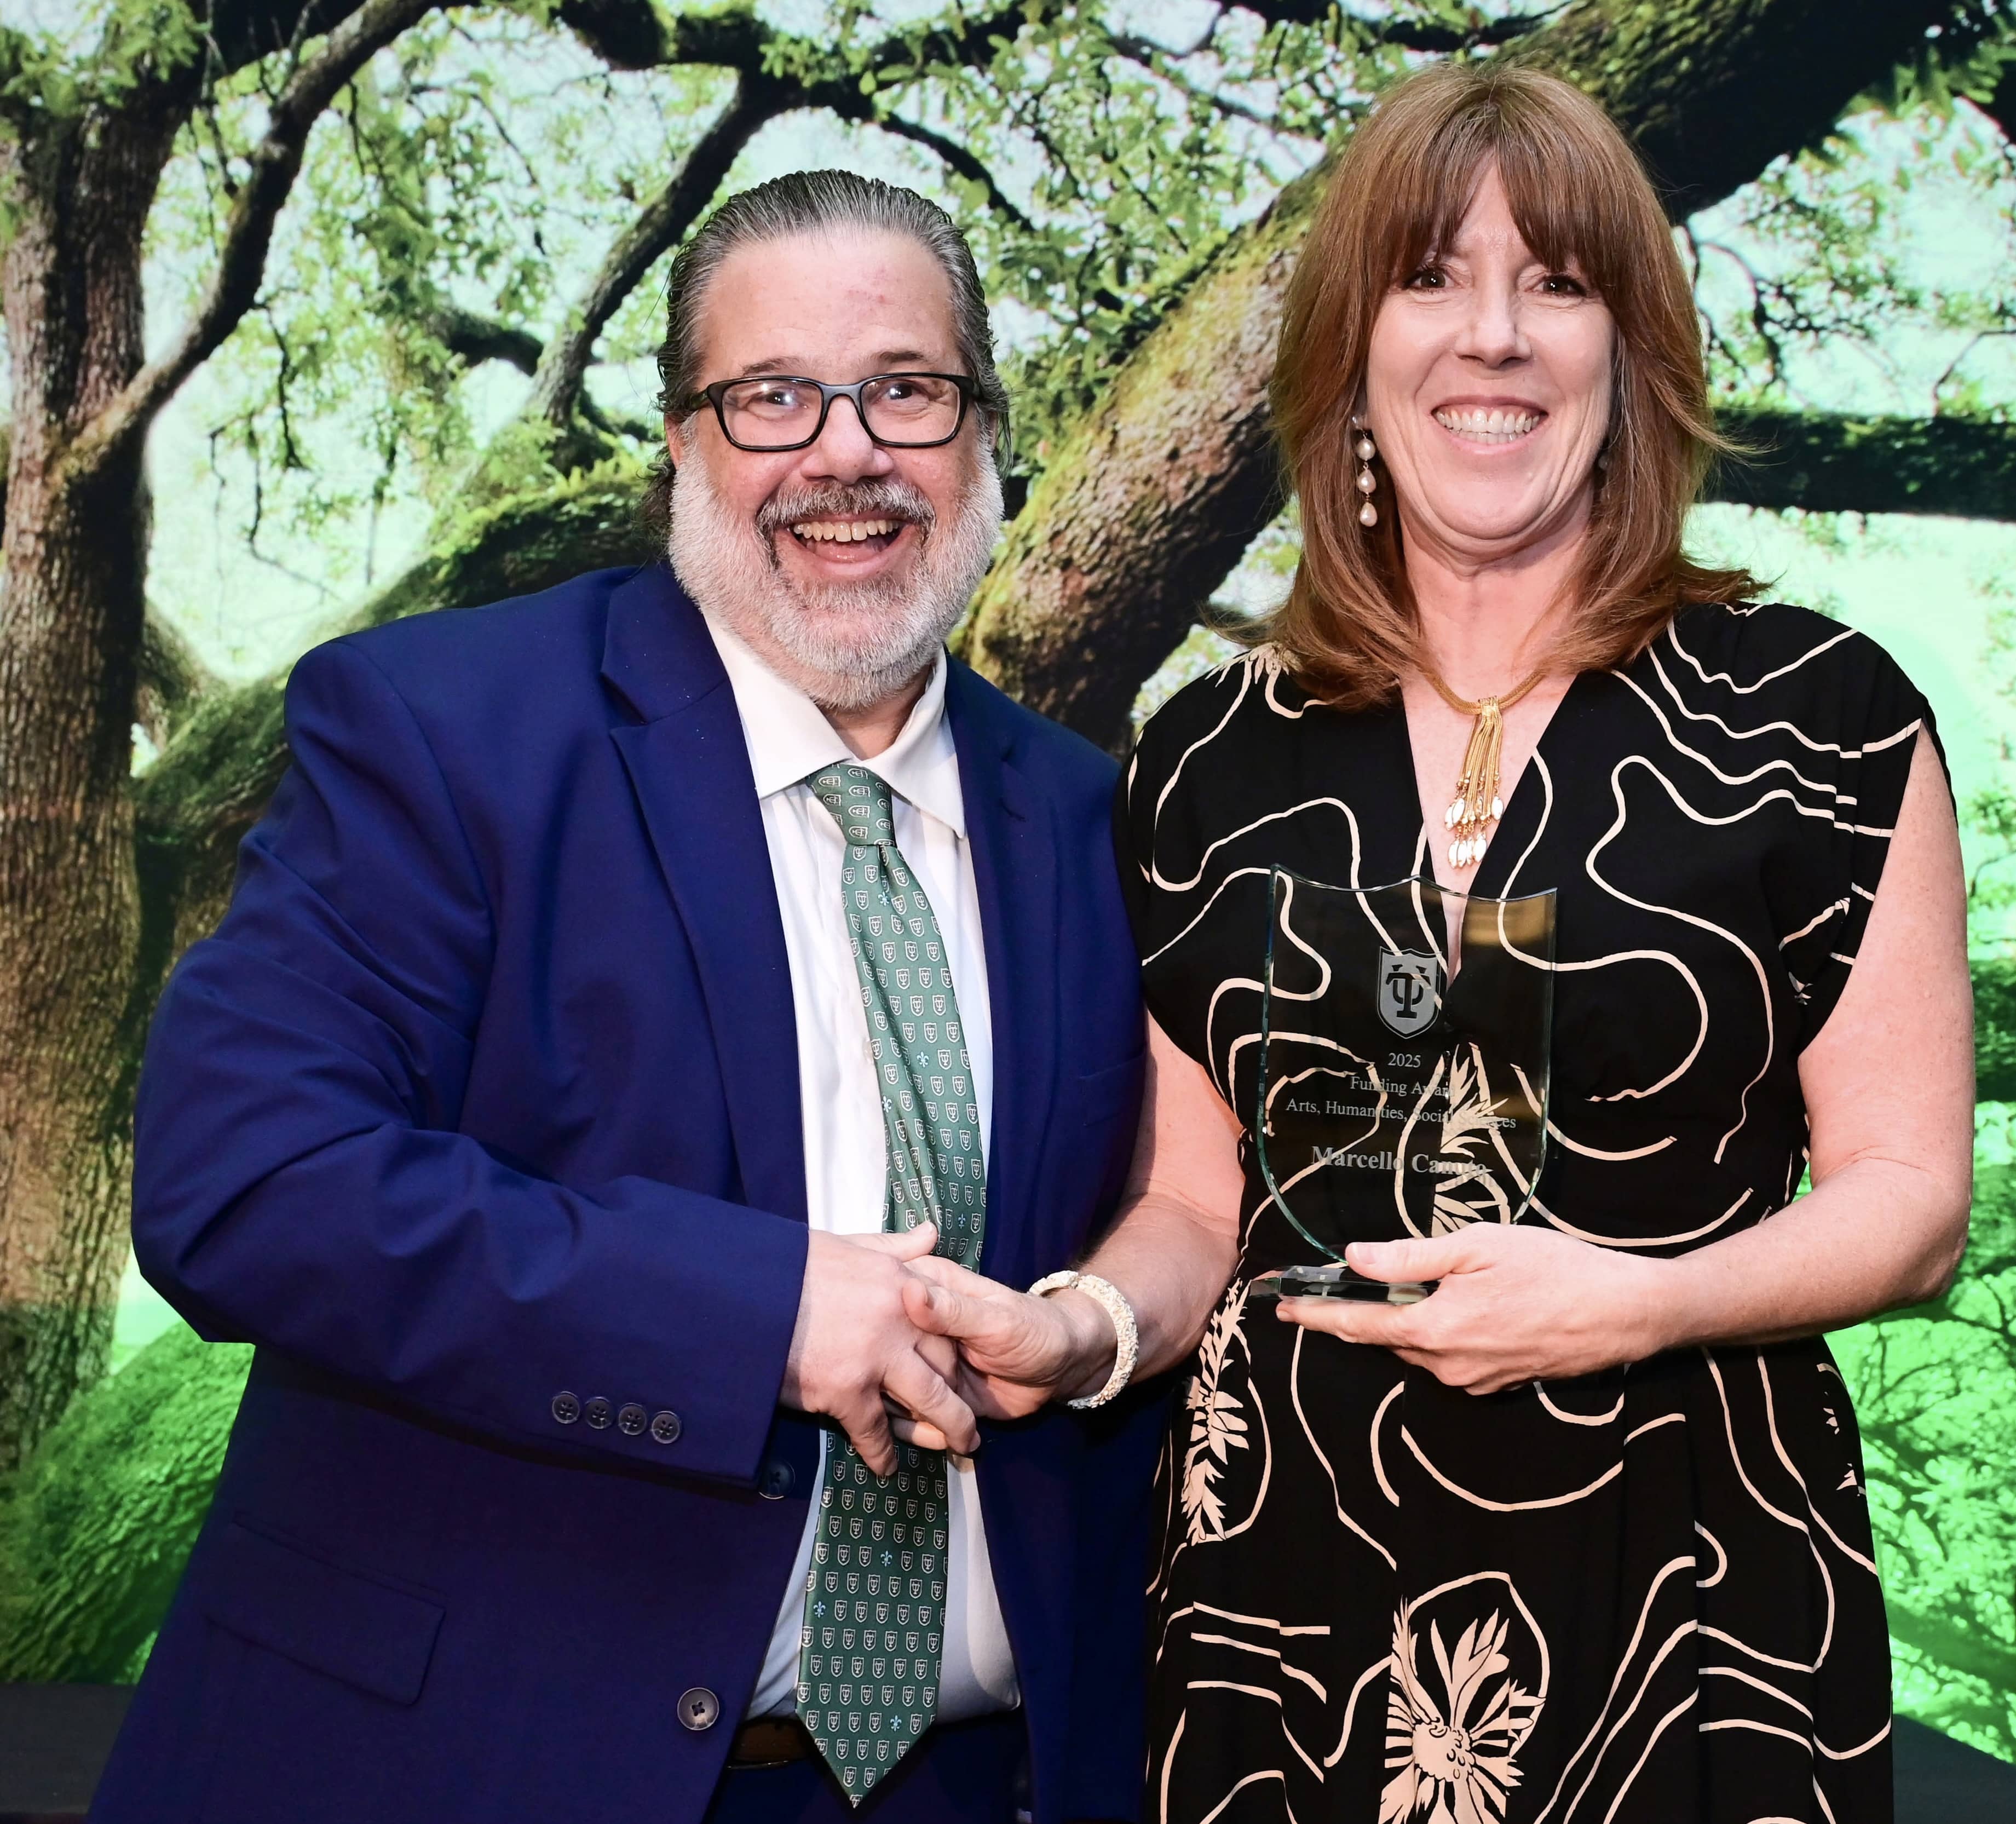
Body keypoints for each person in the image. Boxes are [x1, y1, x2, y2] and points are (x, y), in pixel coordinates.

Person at [899, 65, 1972, 1824]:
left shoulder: (1820, 723)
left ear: (1629, 353)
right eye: (1428, 279)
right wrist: (1087, 1328)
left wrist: (1640, 1303)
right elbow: (1198, 1199)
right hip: (1276, 1611)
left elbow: (1910, 1196)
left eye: (1554, 284)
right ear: (1349, 354)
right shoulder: (1198, 758)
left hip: (1687, 1606)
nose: (1492, 337)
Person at [94, 171, 1157, 1824]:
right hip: (467, 1778)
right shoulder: (442, 730)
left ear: (984, 442)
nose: (844, 450)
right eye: (769, 397)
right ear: (680, 441)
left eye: (906, 390)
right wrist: (756, 1313)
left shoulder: (1094, 818)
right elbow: (244, 1180)